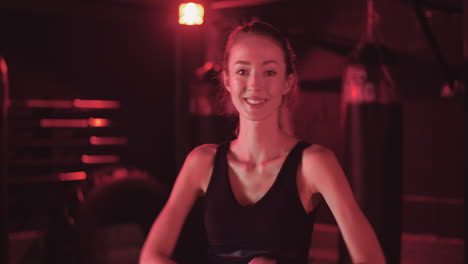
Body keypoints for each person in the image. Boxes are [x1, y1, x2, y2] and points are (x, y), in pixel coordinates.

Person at [140, 21, 385, 264]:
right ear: (226, 79)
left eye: (269, 72)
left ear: (287, 82)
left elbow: (372, 259)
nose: (255, 85)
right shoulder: (202, 162)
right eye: (242, 71)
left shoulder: (314, 163)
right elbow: (151, 257)